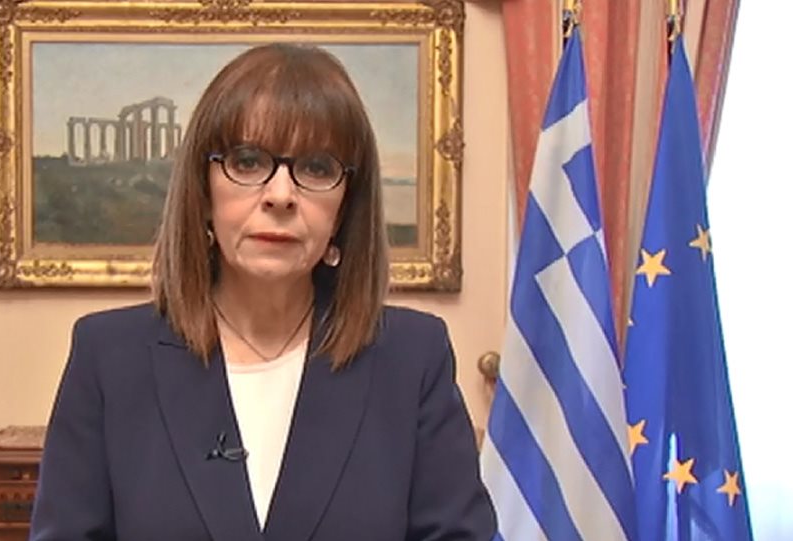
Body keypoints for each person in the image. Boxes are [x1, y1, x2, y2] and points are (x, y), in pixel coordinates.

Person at [28, 44, 496, 541]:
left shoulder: (411, 357)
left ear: (345, 207)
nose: (280, 195)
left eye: (317, 168)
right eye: (248, 161)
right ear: (202, 192)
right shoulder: (109, 356)